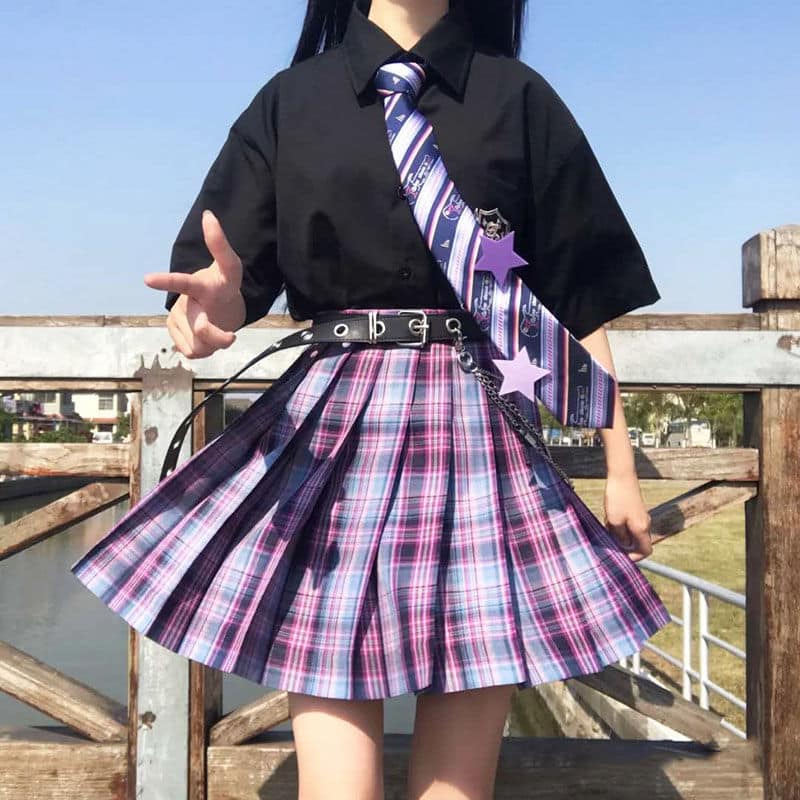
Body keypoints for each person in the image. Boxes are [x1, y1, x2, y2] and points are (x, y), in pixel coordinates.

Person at [70, 1, 671, 797]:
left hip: (479, 432)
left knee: (459, 786)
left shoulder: (519, 98)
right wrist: (209, 310)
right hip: (331, 436)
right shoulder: (290, 101)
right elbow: (221, 285)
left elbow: (581, 300)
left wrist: (619, 466)